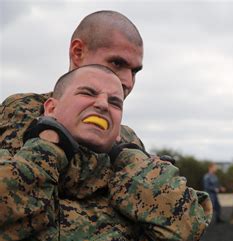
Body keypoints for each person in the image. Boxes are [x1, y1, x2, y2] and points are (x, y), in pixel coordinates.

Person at [0, 65, 212, 241]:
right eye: (88, 93)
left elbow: (183, 233)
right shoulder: (12, 161)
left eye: (115, 103)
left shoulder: (134, 182)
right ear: (51, 107)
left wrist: (130, 158)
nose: (102, 105)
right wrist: (47, 148)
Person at [0, 10, 144, 153]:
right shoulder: (25, 109)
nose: (128, 82)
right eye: (117, 63)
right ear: (78, 52)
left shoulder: (129, 139)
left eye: (134, 72)